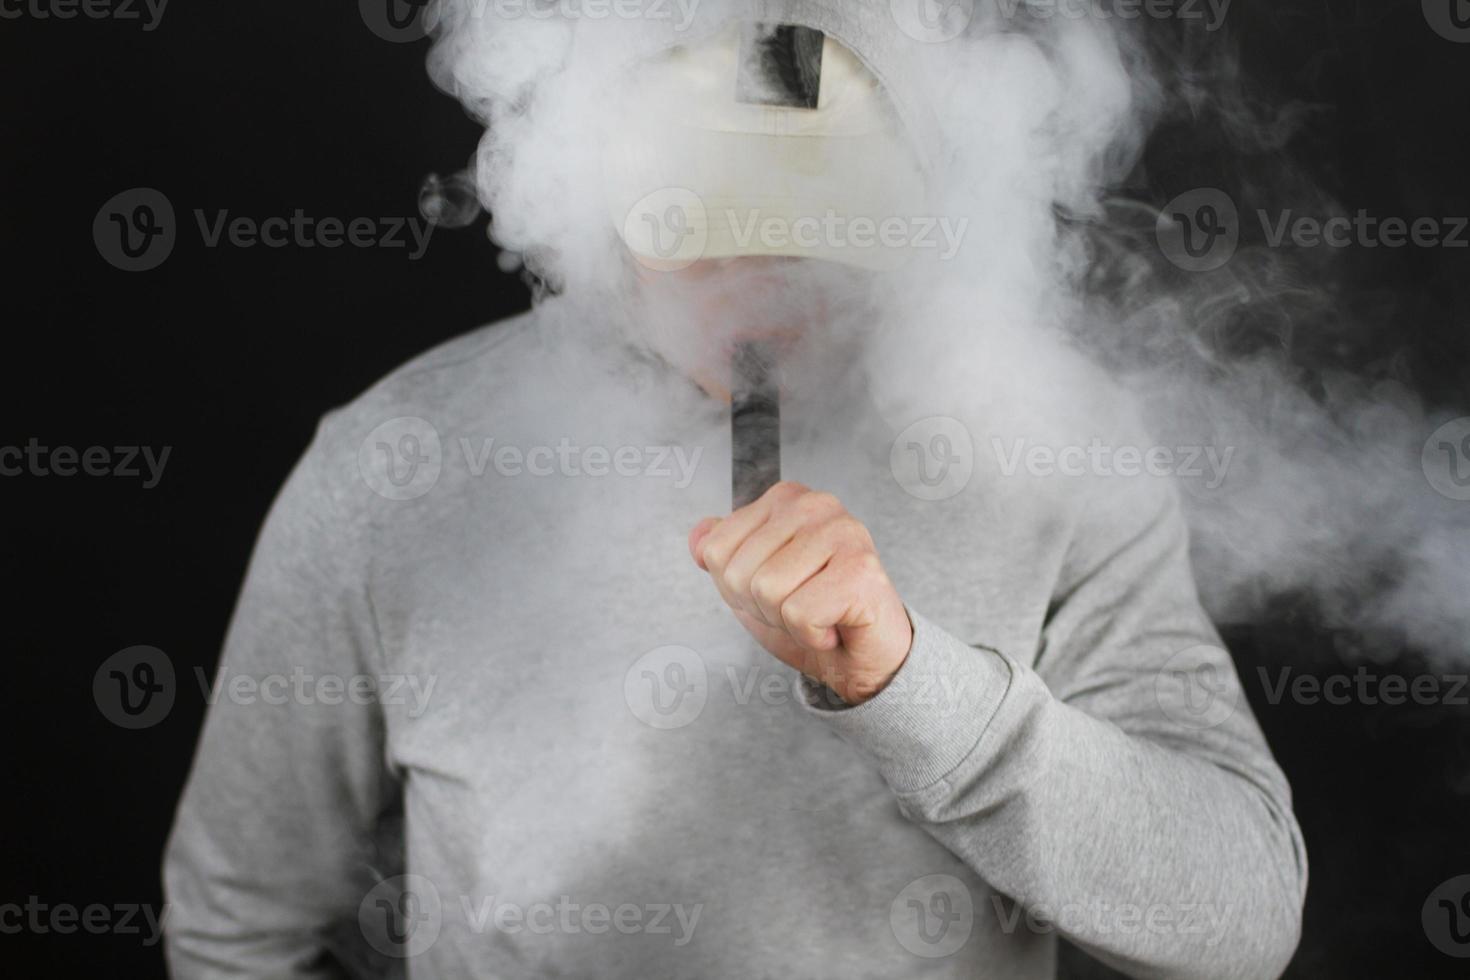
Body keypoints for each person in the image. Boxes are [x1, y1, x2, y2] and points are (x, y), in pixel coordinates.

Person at [163, 5, 1307, 978]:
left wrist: (909, 681)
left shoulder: (1048, 438)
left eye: (822, 237)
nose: (763, 291)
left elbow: (1241, 912)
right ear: (588, 190)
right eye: (700, 235)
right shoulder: (398, 464)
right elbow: (237, 925)